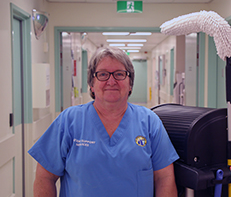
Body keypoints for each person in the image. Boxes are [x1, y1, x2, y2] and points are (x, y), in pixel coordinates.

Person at [28, 46, 179, 197]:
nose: (111, 81)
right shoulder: (69, 121)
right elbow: (45, 177)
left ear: (130, 84)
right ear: (92, 85)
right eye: (103, 74)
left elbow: (164, 177)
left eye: (119, 74)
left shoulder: (150, 122)